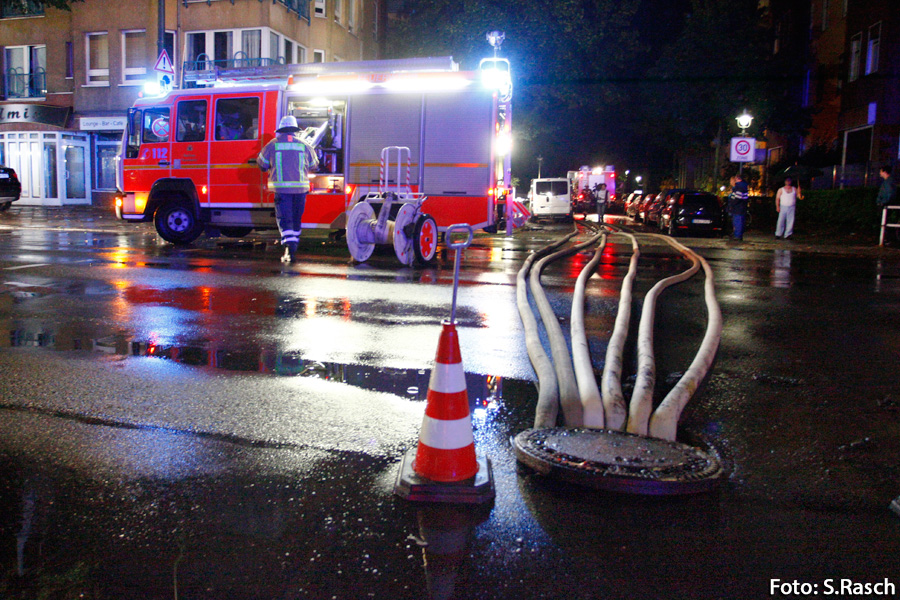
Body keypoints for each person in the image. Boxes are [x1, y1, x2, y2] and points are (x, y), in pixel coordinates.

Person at [257, 115, 320, 263]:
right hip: (300, 191)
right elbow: (314, 165)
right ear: (295, 130)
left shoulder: (272, 145)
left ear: (281, 129)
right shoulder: (304, 145)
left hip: (282, 191)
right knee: (296, 219)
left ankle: (289, 250)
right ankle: (293, 248)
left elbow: (261, 164)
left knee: (285, 220)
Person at [728, 173, 750, 240]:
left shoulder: (739, 186)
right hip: (741, 207)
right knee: (740, 221)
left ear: (737, 178)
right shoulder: (744, 186)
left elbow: (737, 197)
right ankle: (738, 235)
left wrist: (732, 204)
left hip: (738, 208)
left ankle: (737, 236)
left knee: (738, 222)